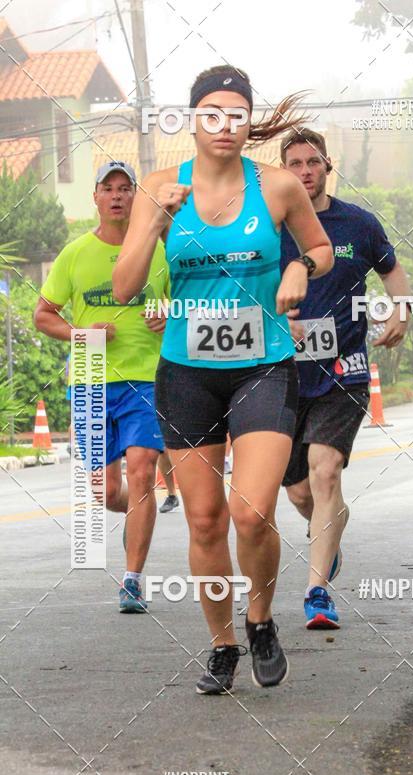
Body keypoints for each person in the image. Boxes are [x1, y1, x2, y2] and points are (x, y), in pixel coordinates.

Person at [113, 65, 333, 694]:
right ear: (192, 119)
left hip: (262, 366)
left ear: (247, 123)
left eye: (237, 114)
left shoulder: (279, 187)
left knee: (251, 513)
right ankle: (222, 644)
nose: (225, 125)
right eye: (212, 113)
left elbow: (318, 250)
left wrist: (300, 270)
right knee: (205, 520)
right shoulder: (160, 187)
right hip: (186, 372)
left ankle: (260, 619)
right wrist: (154, 222)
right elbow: (125, 287)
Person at [280, 127, 411, 629]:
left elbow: (391, 269)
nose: (306, 171)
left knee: (325, 469)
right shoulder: (270, 226)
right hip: (281, 375)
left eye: (313, 162)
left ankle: (317, 593)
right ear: (285, 171)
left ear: (327, 166)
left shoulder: (357, 223)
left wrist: (401, 310)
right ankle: (328, 534)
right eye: (295, 163)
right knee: (299, 492)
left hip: (343, 370)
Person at [34, 161, 170, 613]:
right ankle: (142, 506)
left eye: (125, 188)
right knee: (105, 492)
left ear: (136, 197)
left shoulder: (160, 251)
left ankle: (132, 579)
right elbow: (43, 314)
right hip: (91, 378)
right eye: (107, 189)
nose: (116, 196)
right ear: (94, 198)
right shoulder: (74, 255)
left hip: (146, 377)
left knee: (142, 471)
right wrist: (79, 332)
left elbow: (191, 300)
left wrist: (170, 312)